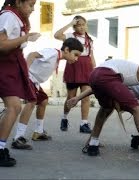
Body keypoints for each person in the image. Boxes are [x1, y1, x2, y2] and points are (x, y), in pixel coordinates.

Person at [66, 59, 139, 167]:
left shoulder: (129, 75)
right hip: (106, 75)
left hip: (96, 75)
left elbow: (97, 82)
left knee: (106, 109)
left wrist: (78, 98)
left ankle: (93, 144)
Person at [10, 38, 84, 150]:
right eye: (76, 54)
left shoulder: (57, 58)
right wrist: (25, 72)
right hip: (29, 77)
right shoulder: (52, 52)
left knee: (43, 100)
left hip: (35, 81)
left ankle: (38, 132)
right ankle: (18, 138)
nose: (76, 59)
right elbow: (32, 55)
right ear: (67, 50)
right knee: (32, 101)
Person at [0, 0, 39, 167]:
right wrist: (26, 38)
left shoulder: (16, 17)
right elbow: (1, 44)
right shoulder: (8, 16)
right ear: (18, 2)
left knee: (13, 107)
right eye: (30, 4)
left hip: (12, 62)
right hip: (4, 62)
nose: (32, 9)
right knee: (14, 107)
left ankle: (1, 147)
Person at [54, 15, 96, 133]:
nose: (82, 27)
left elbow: (91, 56)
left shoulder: (89, 39)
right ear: (74, 26)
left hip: (87, 68)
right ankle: (64, 117)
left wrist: (95, 70)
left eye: (83, 24)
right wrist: (69, 23)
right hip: (73, 66)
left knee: (86, 96)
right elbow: (57, 35)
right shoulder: (70, 36)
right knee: (71, 97)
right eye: (78, 25)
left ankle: (84, 123)